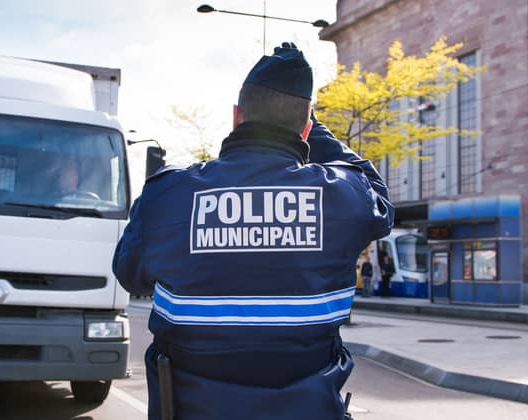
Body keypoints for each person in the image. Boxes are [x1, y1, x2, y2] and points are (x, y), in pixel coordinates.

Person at [113, 43, 394, 420]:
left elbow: (130, 273)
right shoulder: (343, 196)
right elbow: (377, 193)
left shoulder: (168, 193)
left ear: (236, 117)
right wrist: (314, 126)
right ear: (307, 127)